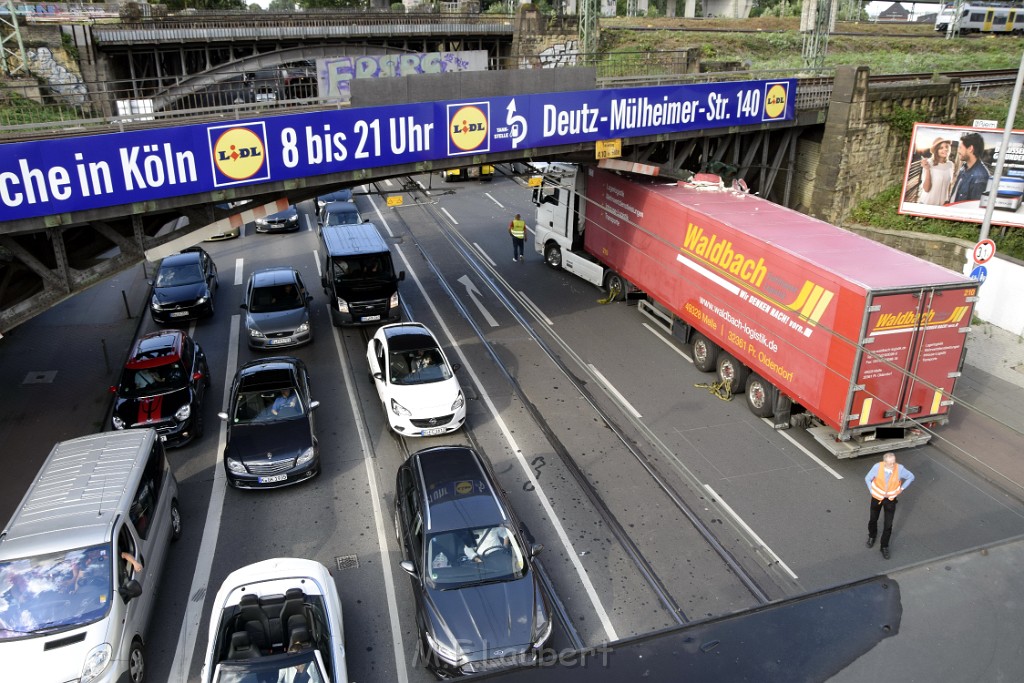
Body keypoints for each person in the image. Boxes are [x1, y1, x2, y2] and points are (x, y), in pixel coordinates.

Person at [864, 452, 915, 559]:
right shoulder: (877, 467)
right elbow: (867, 478)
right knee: (873, 519)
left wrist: (901, 489)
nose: (893, 465)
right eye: (891, 463)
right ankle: (872, 536)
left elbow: (911, 477)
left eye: (894, 462)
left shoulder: (900, 469)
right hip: (877, 498)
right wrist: (872, 491)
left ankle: (884, 546)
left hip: (890, 500)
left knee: (888, 525)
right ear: (885, 462)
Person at [949, 132, 991, 204]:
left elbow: (973, 207)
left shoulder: (980, 176)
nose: (958, 151)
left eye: (960, 147)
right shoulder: (964, 167)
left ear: (970, 149)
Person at [917, 136, 954, 206]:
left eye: (946, 147)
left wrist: (948, 199)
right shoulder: (928, 163)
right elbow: (926, 189)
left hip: (942, 205)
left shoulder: (950, 164)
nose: (945, 149)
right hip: (927, 203)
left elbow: (949, 184)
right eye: (941, 148)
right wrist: (927, 169)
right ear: (936, 151)